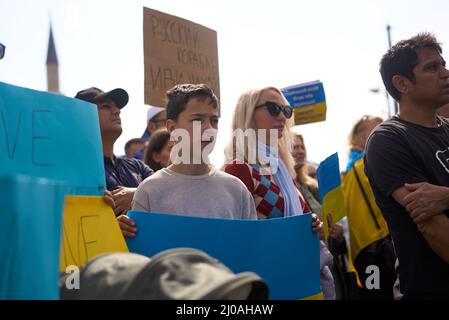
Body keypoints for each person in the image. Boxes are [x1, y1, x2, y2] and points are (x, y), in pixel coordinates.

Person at [222, 87, 333, 299]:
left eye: (286, 110)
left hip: (300, 276)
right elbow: (236, 238)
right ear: (248, 114)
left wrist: (314, 224)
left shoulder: (282, 169)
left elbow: (306, 215)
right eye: (273, 108)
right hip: (266, 284)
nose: (282, 116)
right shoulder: (239, 168)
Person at [364, 33, 449, 299]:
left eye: (443, 64)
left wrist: (445, 196)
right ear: (402, 83)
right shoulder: (387, 140)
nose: (445, 73)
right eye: (432, 67)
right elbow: (432, 226)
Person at [118, 84, 257, 238]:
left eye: (214, 120)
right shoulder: (149, 190)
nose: (208, 128)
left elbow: (250, 246)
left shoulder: (237, 190)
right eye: (197, 120)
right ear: (172, 128)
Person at [75, 87, 153, 216]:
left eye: (117, 107)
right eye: (106, 107)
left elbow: (166, 194)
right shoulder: (76, 168)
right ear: (83, 116)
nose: (117, 111)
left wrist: (137, 195)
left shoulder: (137, 166)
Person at [342, 115, 397, 300]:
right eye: (375, 130)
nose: (382, 134)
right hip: (383, 246)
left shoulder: (348, 170)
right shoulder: (367, 162)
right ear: (357, 138)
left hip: (363, 253)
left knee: (376, 294)